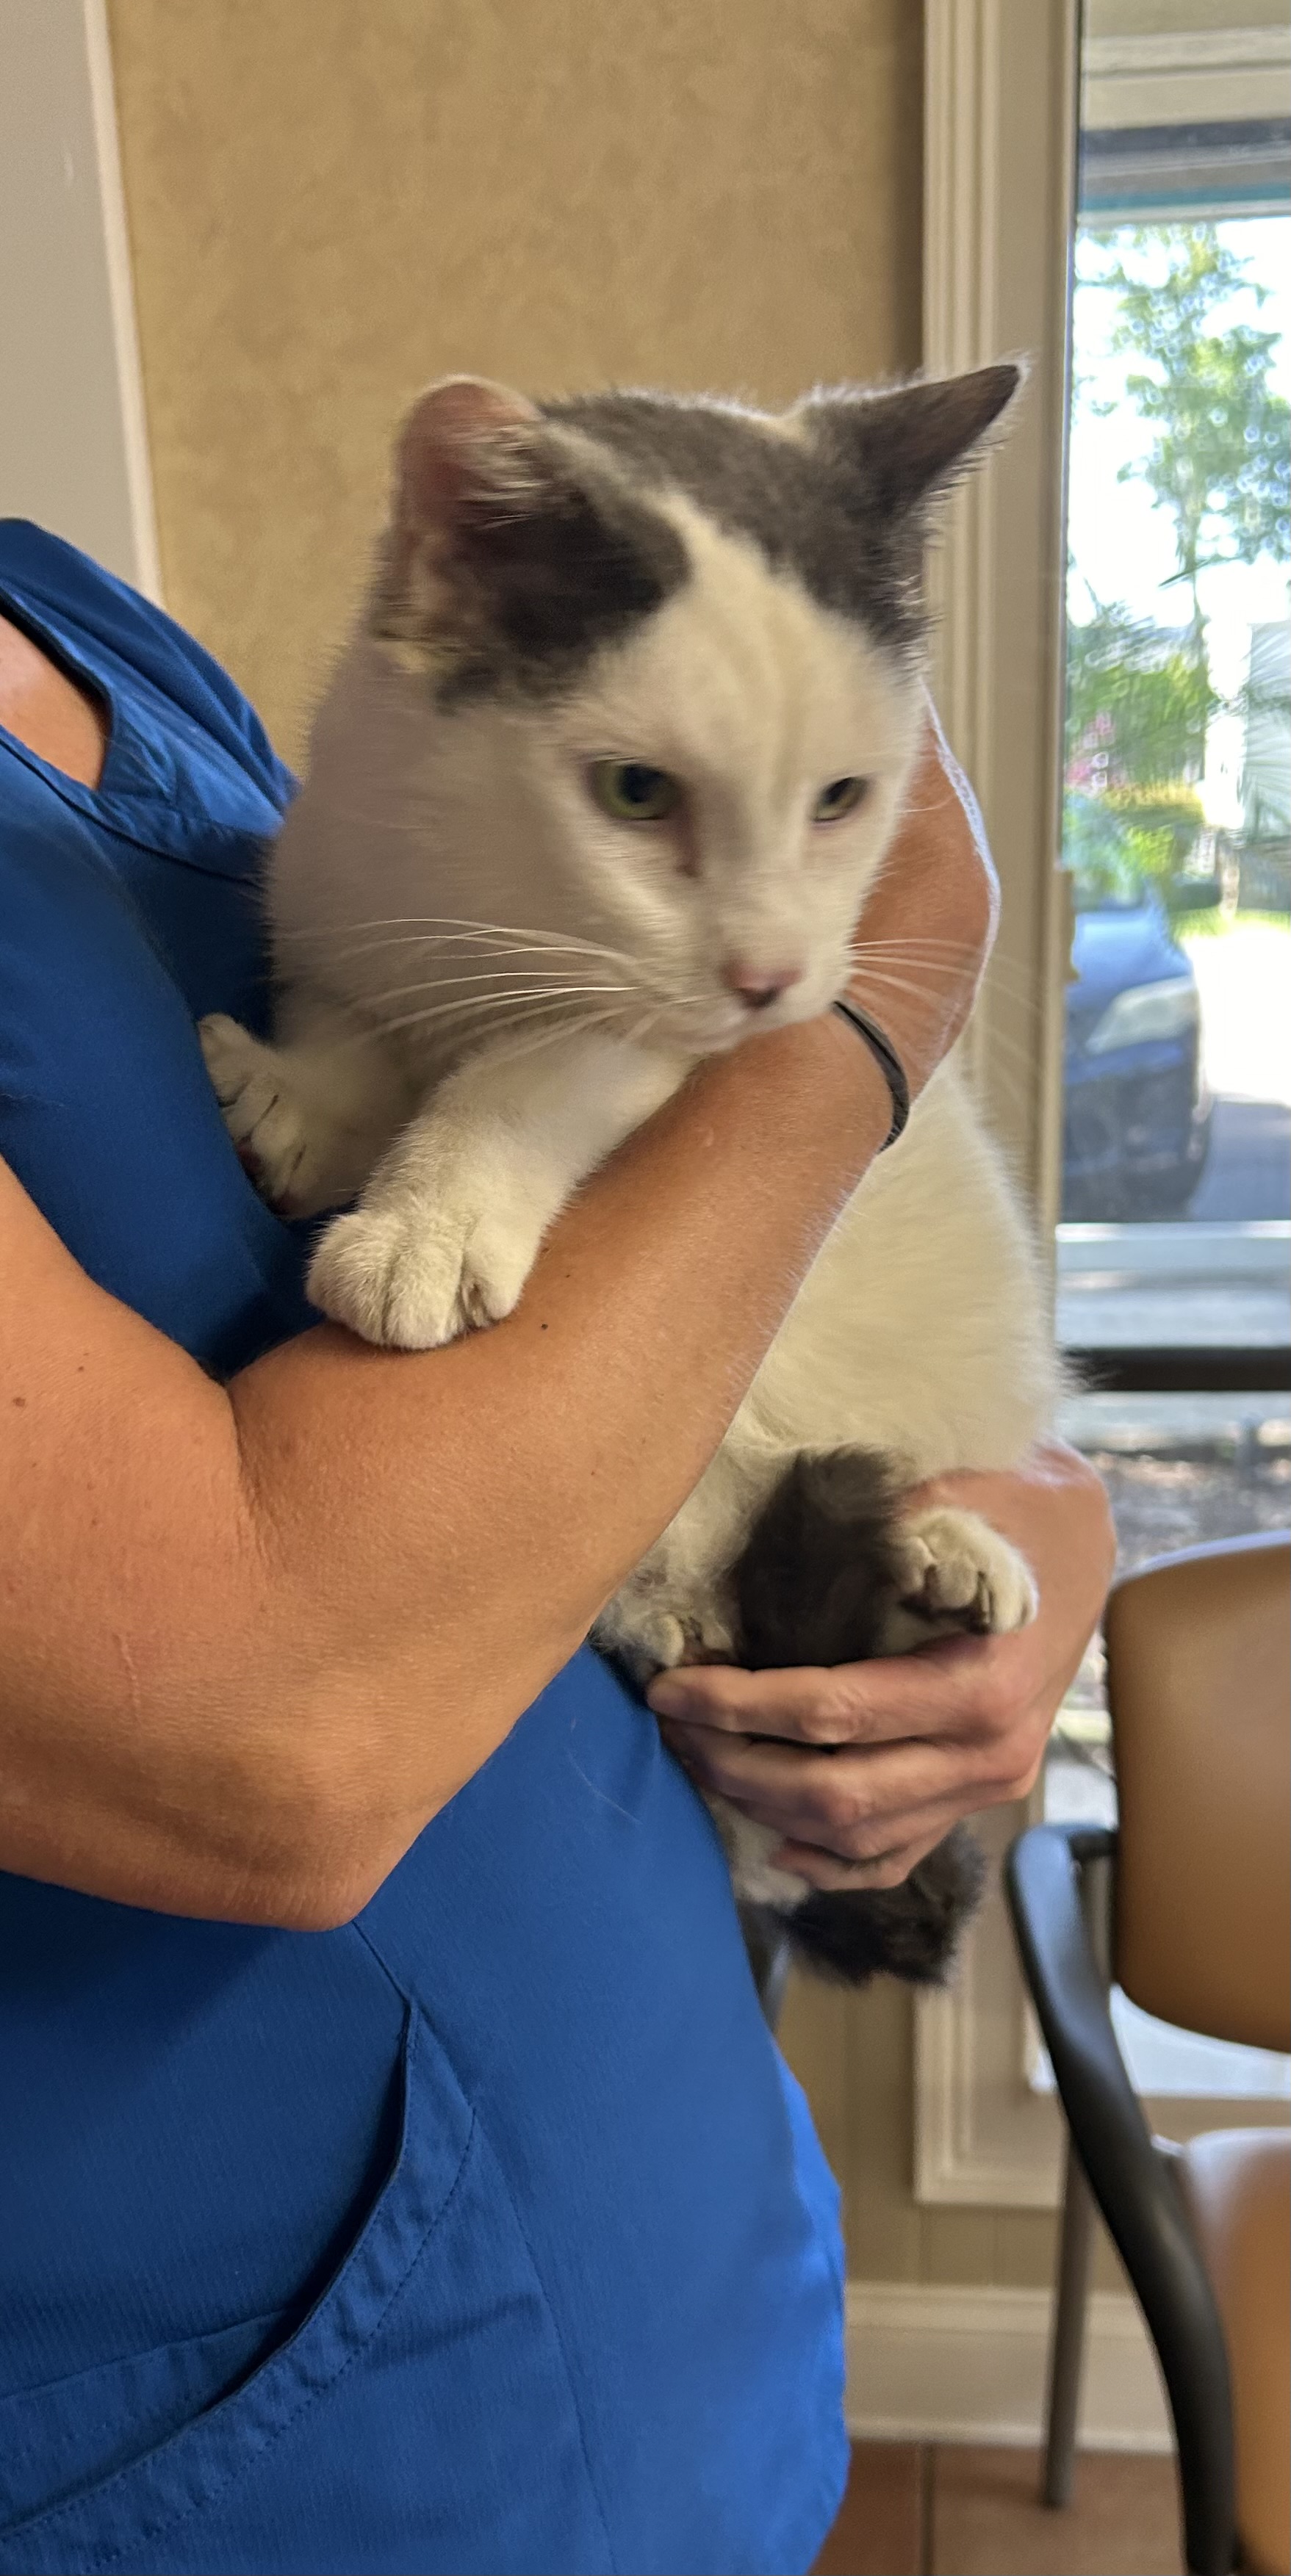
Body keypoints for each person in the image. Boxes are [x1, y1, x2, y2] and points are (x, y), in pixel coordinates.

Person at [0, 519, 1114, 2576]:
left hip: (696, 2287)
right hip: (295, 2460)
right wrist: (877, 1016)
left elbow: (628, 1311)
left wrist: (1036, 1515)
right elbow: (268, 1730)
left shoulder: (86, 622)